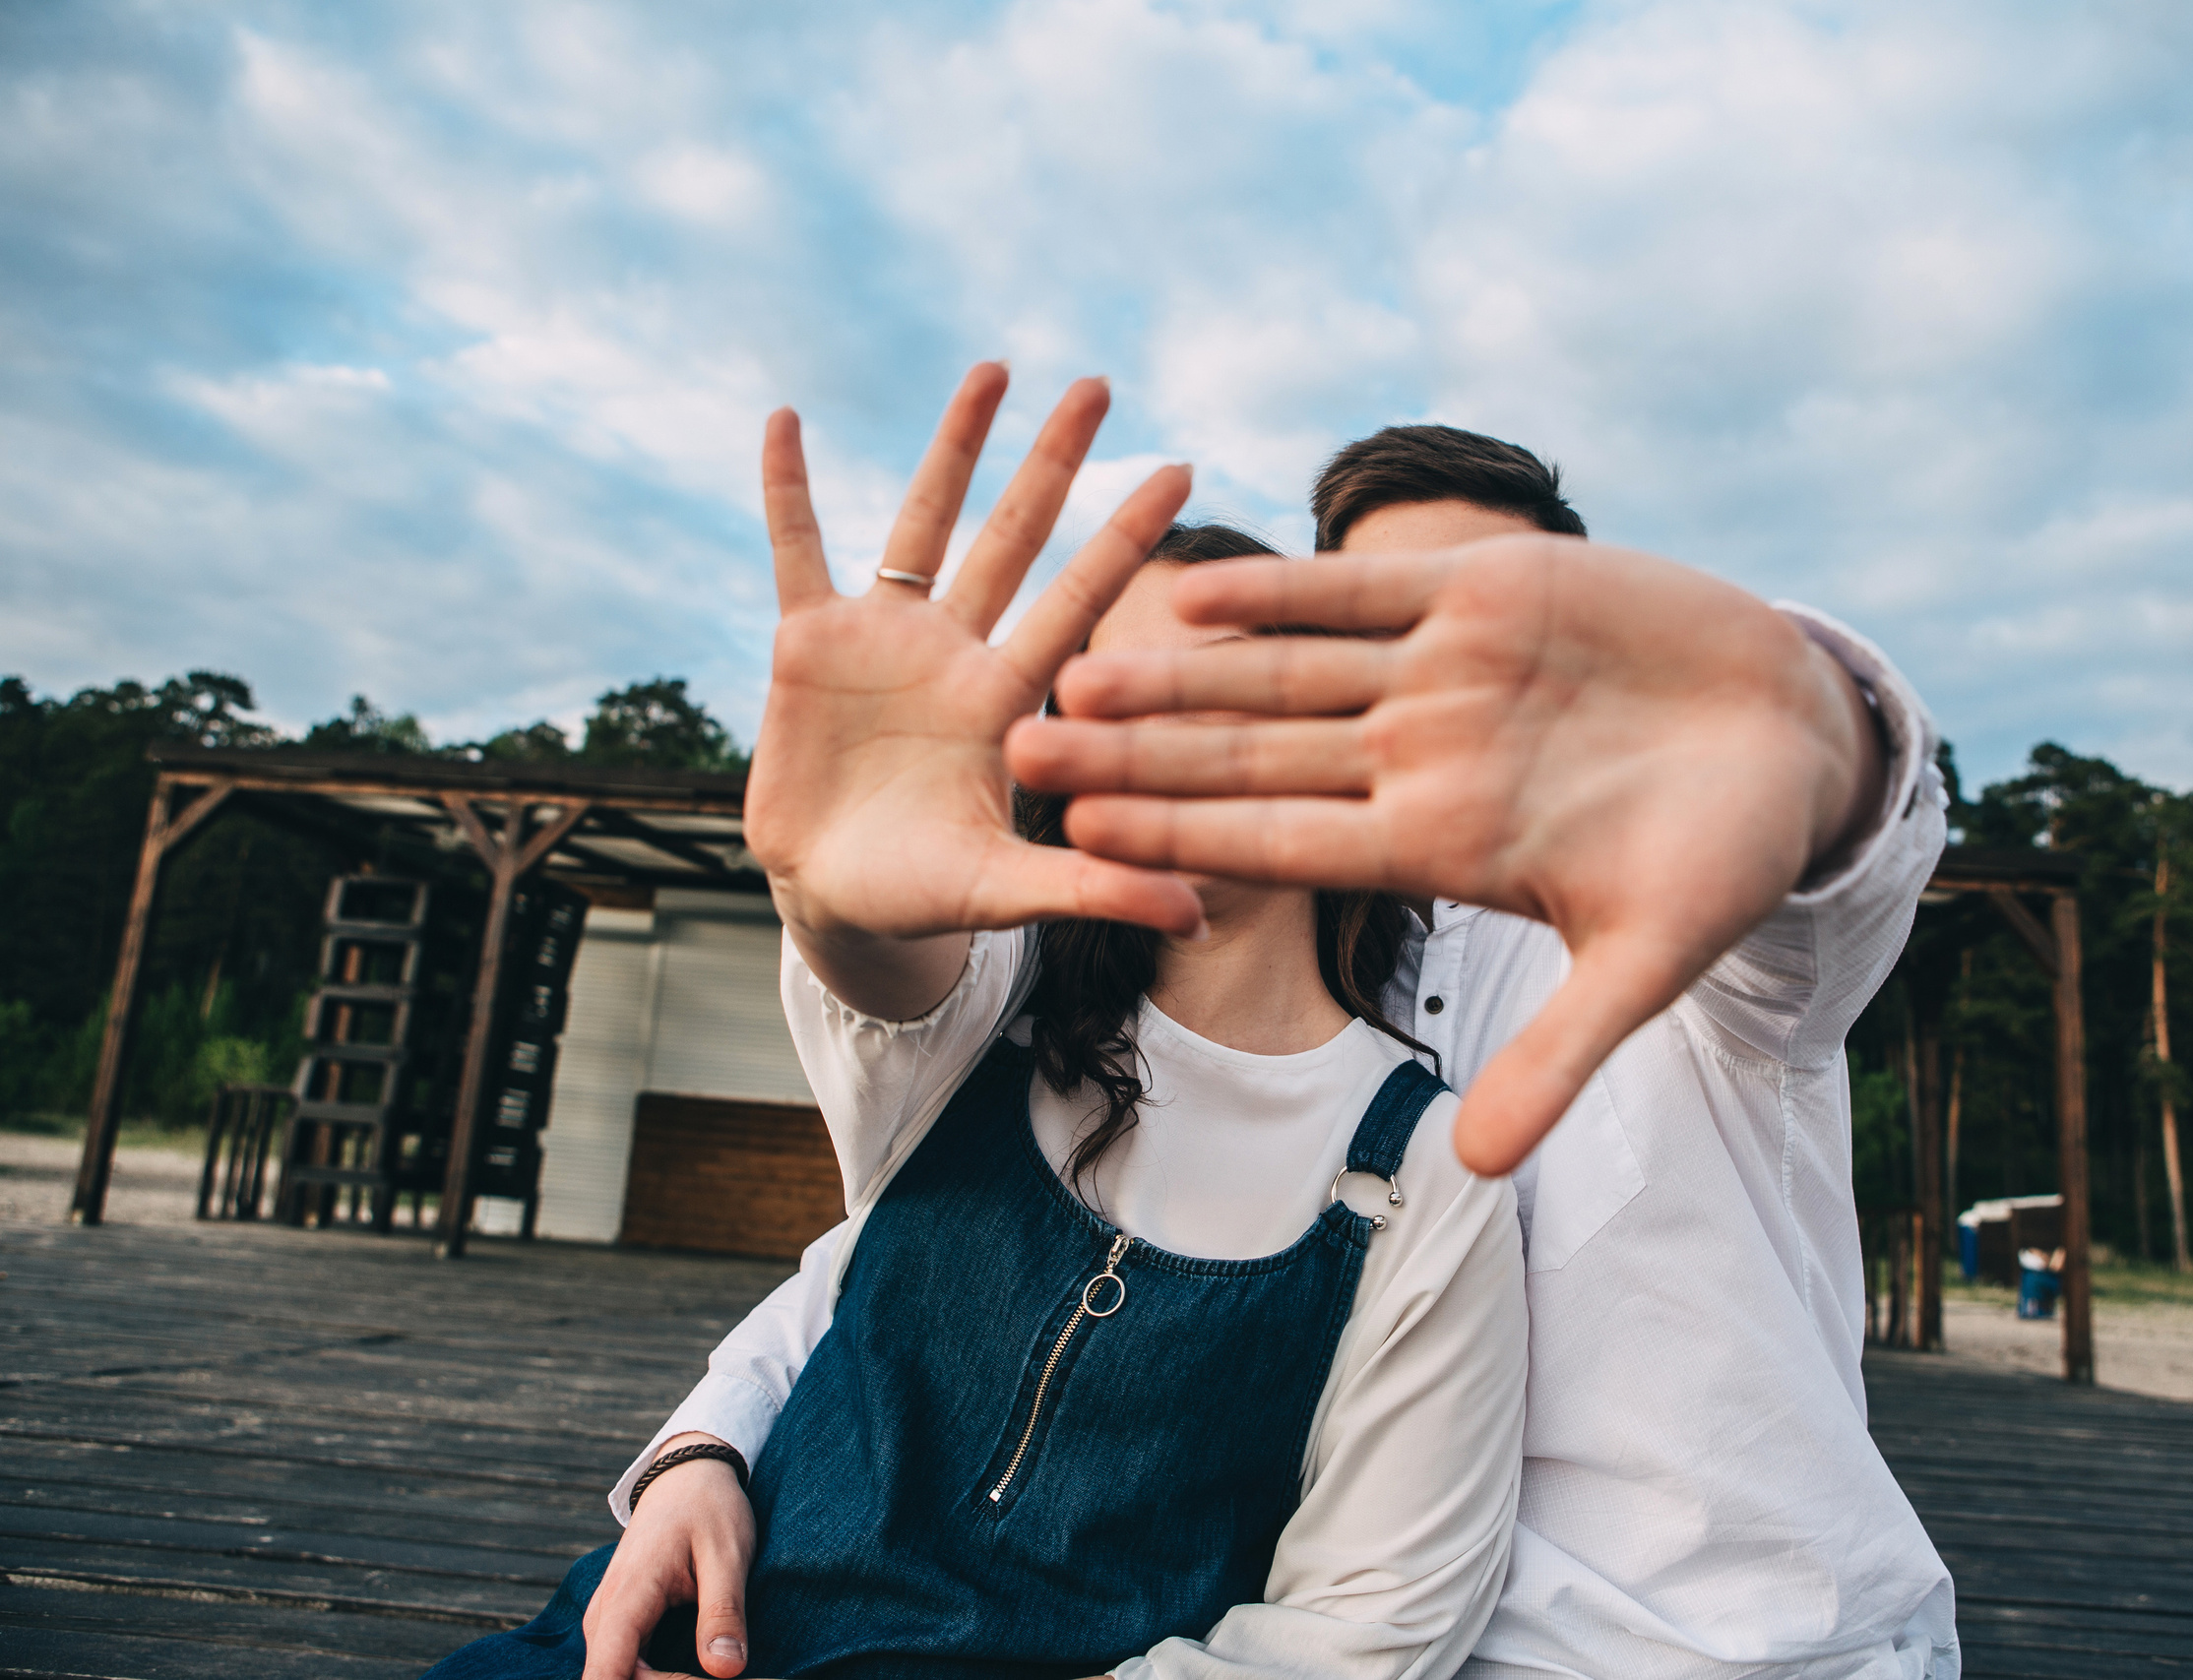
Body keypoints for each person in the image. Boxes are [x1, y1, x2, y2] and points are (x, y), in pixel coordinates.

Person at [616, 373, 1962, 1676]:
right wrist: (705, 1439)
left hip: (1734, 1654)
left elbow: (1828, 855)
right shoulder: (1211, 972)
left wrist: (1801, 732)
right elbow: (910, 1241)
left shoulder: (1706, 928)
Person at [428, 371, 1529, 1680]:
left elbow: (1363, 1636)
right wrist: (822, 881)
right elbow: (877, 958)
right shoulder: (992, 999)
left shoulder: (1427, 1169)